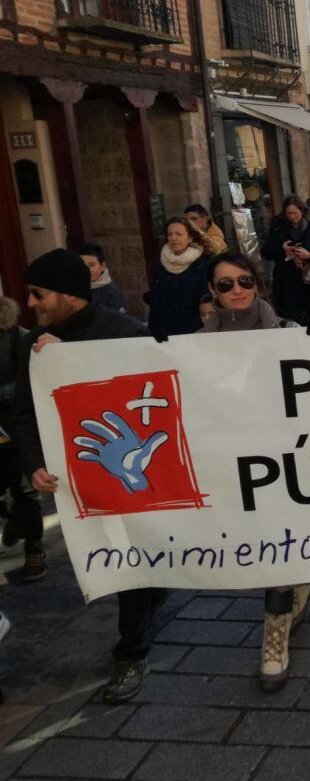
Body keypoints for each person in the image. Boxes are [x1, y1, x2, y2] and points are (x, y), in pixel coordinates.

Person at [14, 248, 161, 702]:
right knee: (114, 555)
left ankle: (131, 652)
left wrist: (72, 359)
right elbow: (24, 410)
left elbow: (148, 391)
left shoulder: (125, 332)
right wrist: (33, 461)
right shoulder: (34, 343)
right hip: (72, 479)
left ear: (68, 294)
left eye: (39, 294)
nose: (32, 304)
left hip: (127, 472)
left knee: (127, 557)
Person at [197, 253, 310, 689]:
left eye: (243, 280)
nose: (236, 290)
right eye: (224, 285)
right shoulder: (195, 346)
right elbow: (136, 353)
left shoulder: (290, 335)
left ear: (257, 282)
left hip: (287, 460)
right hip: (234, 466)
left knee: (276, 550)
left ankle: (274, 642)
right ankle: (302, 582)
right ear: (212, 291)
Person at [0, 297, 41, 577]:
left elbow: (30, 381)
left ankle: (35, 547)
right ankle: (13, 520)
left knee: (26, 489)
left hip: (16, 428)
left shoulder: (19, 337)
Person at [263, 195, 310, 325]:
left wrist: (309, 255)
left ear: (302, 211)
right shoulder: (278, 226)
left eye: (295, 213)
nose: (292, 216)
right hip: (286, 282)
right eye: (288, 213)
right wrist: (282, 250)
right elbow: (266, 252)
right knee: (291, 319)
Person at [147, 216, 210, 337]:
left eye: (179, 234)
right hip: (165, 330)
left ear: (190, 237)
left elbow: (206, 297)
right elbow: (155, 299)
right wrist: (152, 331)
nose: (173, 238)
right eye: (170, 234)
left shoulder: (201, 264)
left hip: (196, 330)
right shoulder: (160, 263)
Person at [80, 243, 127, 313]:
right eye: (82, 265)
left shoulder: (112, 293)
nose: (87, 269)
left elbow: (118, 320)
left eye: (92, 265)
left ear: (102, 266)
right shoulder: (76, 289)